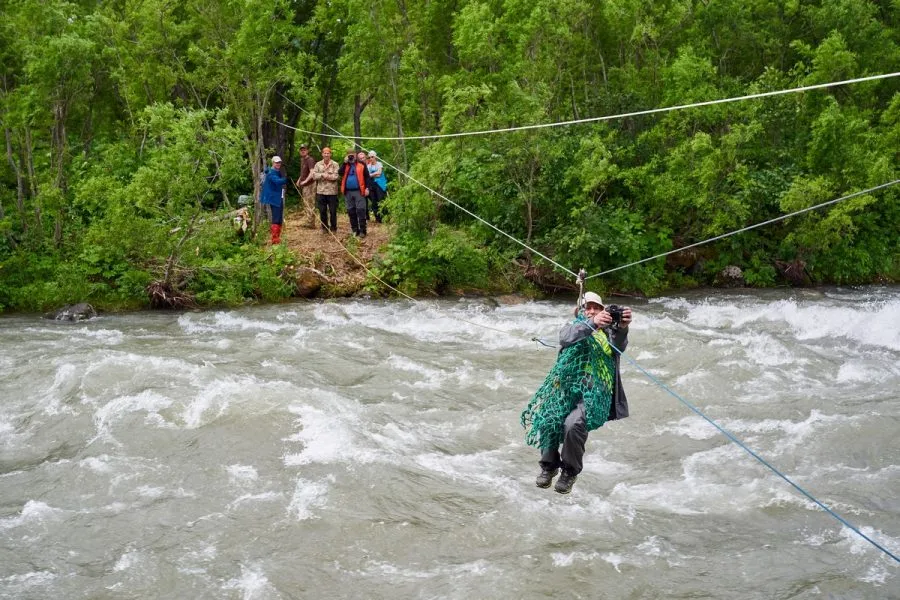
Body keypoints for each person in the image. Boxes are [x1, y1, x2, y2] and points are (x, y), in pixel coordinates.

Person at [520, 291, 632, 494]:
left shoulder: (609, 334)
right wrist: (592, 323)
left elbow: (620, 346)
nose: (591, 311)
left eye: (596, 308)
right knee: (548, 420)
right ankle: (549, 466)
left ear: (603, 310)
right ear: (579, 311)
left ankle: (569, 473)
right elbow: (566, 338)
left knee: (573, 425)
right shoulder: (572, 328)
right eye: (587, 308)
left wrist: (622, 328)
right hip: (565, 389)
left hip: (595, 393)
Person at [338, 149, 373, 238]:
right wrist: (344, 163)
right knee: (351, 211)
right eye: (349, 155)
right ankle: (355, 230)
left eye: (352, 154)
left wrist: (367, 188)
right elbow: (340, 173)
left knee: (361, 211)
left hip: (359, 191)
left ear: (355, 155)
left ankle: (363, 231)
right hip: (348, 192)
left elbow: (367, 177)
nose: (351, 156)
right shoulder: (346, 165)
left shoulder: (361, 164)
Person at [309, 147, 340, 232]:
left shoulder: (335, 164)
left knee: (333, 211)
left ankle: (333, 228)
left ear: (330, 154)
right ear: (322, 154)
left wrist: (328, 176)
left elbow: (337, 176)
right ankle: (325, 227)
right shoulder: (318, 164)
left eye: (328, 153)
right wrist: (322, 175)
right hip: (321, 192)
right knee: (322, 211)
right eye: (325, 153)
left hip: (332, 192)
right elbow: (314, 176)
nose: (326, 155)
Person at [260, 156, 287, 244]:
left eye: (279, 162)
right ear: (273, 163)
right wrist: (286, 179)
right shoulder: (272, 172)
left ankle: (277, 237)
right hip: (274, 198)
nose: (278, 164)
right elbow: (277, 181)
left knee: (279, 216)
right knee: (276, 217)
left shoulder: (275, 171)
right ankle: (275, 239)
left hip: (278, 196)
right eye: (276, 162)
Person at [295, 143, 318, 229]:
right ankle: (308, 221)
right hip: (305, 185)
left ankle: (311, 223)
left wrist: (305, 181)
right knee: (305, 203)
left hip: (310, 185)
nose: (303, 151)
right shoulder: (303, 160)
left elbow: (312, 172)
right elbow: (303, 172)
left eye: (304, 150)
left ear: (307, 151)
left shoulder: (310, 160)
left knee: (310, 203)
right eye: (301, 150)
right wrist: (299, 180)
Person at [366, 150, 388, 223]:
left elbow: (379, 173)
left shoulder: (379, 164)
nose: (371, 158)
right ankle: (378, 219)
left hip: (380, 184)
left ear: (375, 157)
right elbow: (369, 175)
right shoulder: (368, 166)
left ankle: (385, 217)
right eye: (369, 157)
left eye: (372, 157)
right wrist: (374, 174)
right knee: (374, 201)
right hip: (372, 185)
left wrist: (372, 174)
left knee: (381, 200)